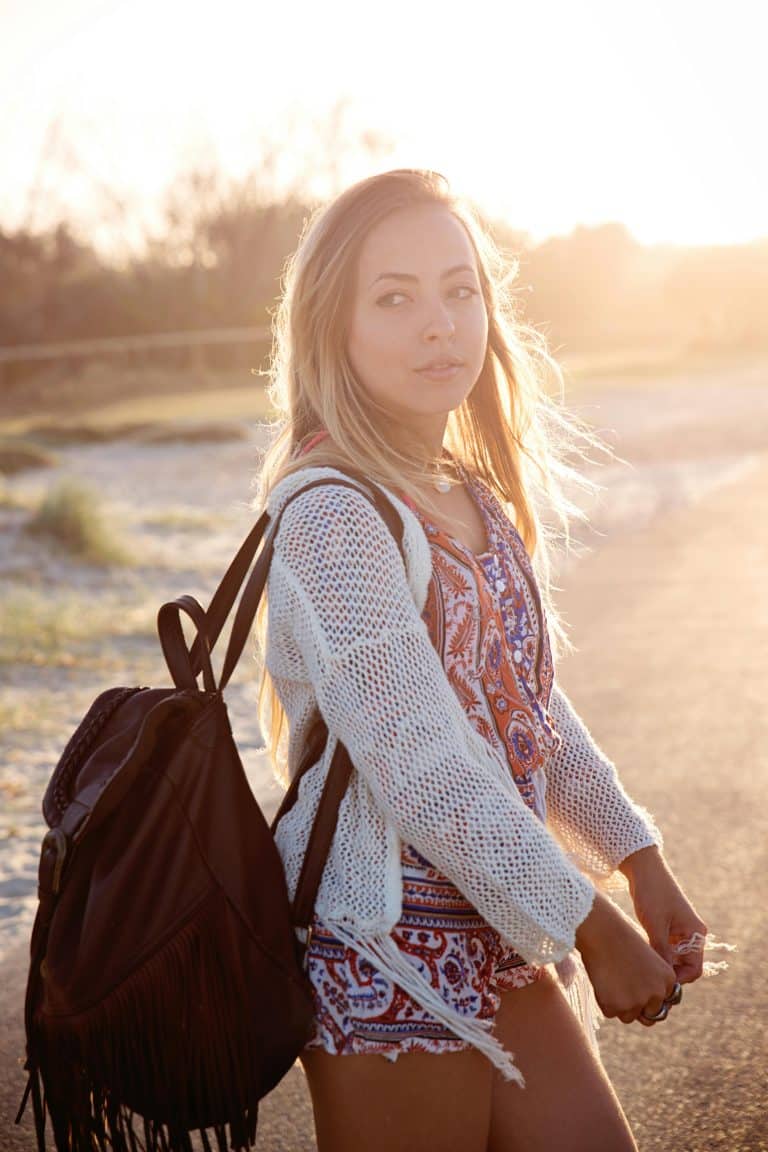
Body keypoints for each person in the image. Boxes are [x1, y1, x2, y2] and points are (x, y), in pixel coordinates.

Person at [252, 169, 708, 1152]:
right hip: (386, 956)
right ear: (335, 325)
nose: (439, 324)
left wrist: (638, 857)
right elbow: (423, 765)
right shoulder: (331, 511)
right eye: (396, 296)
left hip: (501, 936)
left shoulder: (465, 491)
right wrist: (588, 919)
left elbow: (532, 711)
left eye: (460, 289)